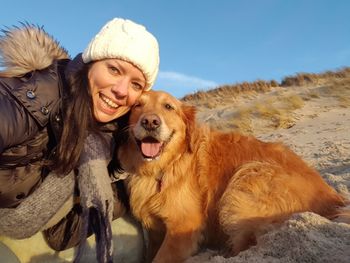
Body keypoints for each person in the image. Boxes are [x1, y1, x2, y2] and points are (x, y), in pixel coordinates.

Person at [0, 18, 159, 263]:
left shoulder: (108, 133)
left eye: (136, 84)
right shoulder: (36, 97)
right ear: (90, 63)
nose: (121, 90)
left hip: (32, 223)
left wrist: (122, 181)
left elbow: (62, 235)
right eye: (114, 70)